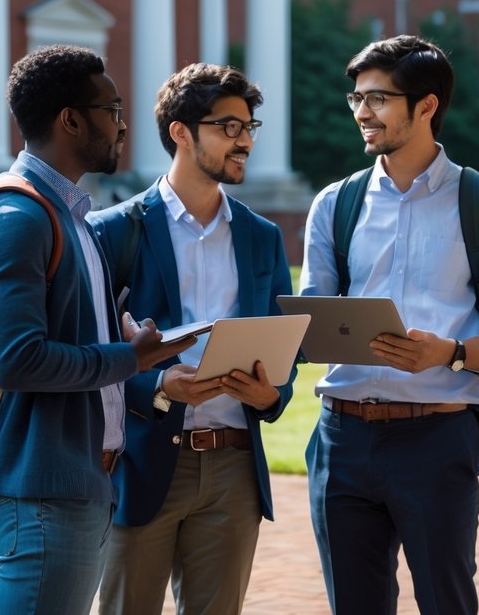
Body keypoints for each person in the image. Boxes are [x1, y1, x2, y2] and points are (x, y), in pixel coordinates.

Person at [0, 44, 194, 614]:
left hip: (80, 482)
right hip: (43, 488)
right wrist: (129, 358)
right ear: (70, 118)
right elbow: (16, 360)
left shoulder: (73, 218)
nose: (122, 126)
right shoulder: (17, 218)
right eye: (112, 109)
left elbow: (66, 334)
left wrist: (122, 336)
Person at [299, 35, 479, 615]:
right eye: (356, 97)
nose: (360, 112)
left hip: (437, 439)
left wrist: (448, 352)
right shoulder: (334, 204)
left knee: (447, 602)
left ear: (426, 106)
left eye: (377, 98)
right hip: (341, 440)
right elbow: (310, 316)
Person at [89, 63, 298, 614]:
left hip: (234, 468)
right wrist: (159, 389)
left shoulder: (262, 237)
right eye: (229, 127)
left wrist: (273, 396)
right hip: (142, 462)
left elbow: (283, 348)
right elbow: (92, 357)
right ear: (181, 131)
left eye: (250, 127)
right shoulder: (112, 231)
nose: (246, 140)